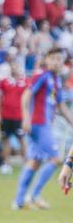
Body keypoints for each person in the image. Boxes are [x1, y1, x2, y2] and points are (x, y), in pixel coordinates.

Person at [12, 48, 73, 210]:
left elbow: (60, 105)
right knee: (56, 158)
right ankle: (34, 195)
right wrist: (26, 117)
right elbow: (27, 95)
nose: (57, 62)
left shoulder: (56, 80)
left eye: (59, 59)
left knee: (34, 162)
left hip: (43, 125)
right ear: (46, 60)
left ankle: (18, 201)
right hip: (38, 124)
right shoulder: (42, 75)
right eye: (53, 58)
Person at [0, 60, 27, 174]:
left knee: (22, 139)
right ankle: (6, 164)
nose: (14, 68)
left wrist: (27, 115)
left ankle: (26, 164)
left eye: (16, 66)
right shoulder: (4, 82)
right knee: (5, 140)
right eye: (12, 66)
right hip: (6, 116)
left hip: (19, 116)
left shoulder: (25, 82)